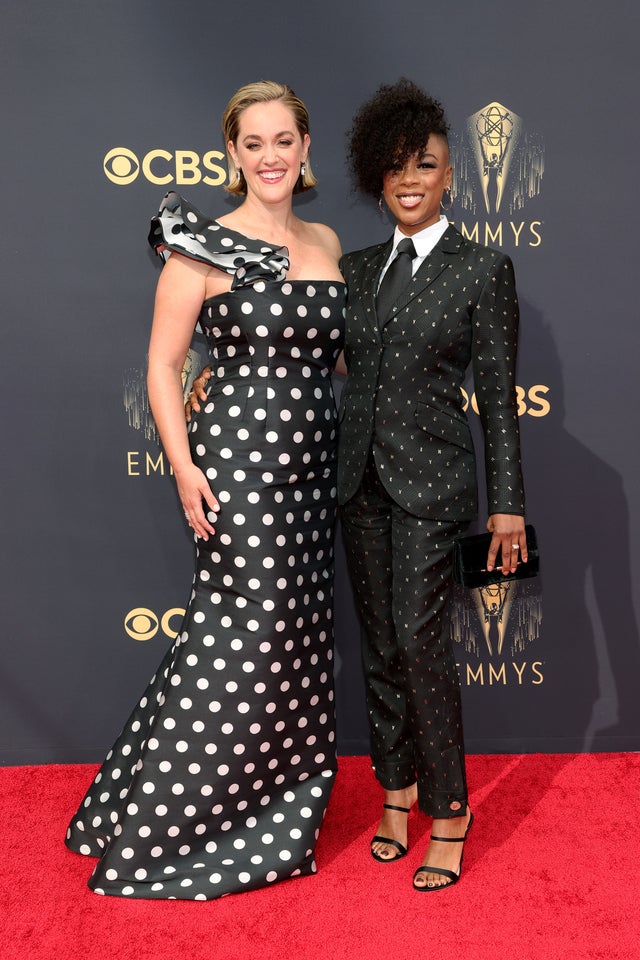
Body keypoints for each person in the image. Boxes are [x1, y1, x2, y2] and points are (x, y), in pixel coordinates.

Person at [65, 81, 346, 900]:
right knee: (243, 639)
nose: (270, 157)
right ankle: (172, 832)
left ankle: (271, 804)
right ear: (232, 155)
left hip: (313, 468)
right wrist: (186, 468)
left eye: (283, 140)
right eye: (253, 143)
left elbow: (332, 357)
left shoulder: (326, 239)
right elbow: (162, 364)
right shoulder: (201, 245)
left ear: (304, 149)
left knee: (291, 640)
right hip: (239, 470)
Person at [338, 78, 526, 891]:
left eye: (425, 165)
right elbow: (304, 351)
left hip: (433, 485)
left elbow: (500, 396)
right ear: (375, 179)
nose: (409, 179)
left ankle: (449, 811)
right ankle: (396, 793)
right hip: (358, 486)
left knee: (418, 644)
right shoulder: (354, 268)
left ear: (450, 175)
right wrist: (212, 374)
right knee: (380, 649)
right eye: (394, 168)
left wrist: (507, 503)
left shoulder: (482, 268)